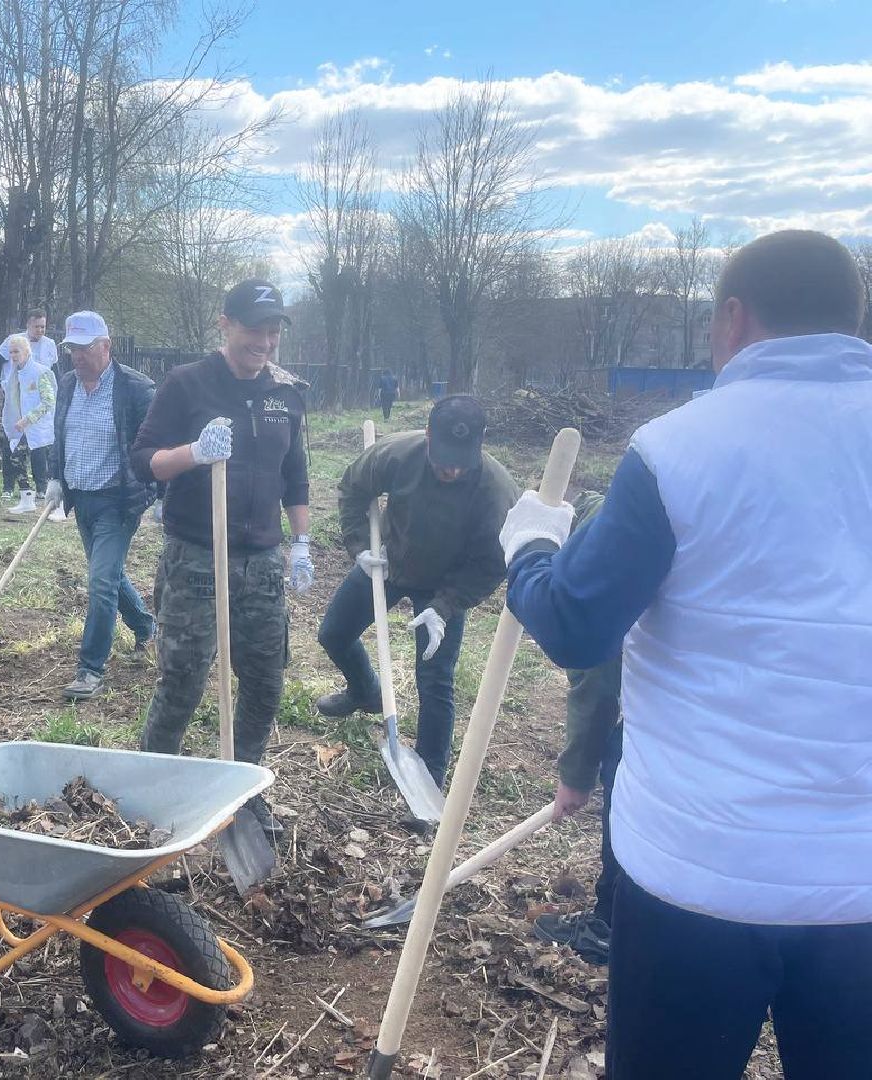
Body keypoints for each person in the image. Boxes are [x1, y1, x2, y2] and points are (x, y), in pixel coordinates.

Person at [500, 230, 872, 1078]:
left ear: (733, 320)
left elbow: (573, 626)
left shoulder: (680, 449)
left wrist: (529, 545)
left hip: (701, 875)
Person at [132, 280, 312, 839]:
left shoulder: (288, 393)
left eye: (274, 329)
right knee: (182, 681)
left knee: (265, 683)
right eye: (255, 327)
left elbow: (296, 474)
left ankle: (242, 791)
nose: (266, 339)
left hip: (262, 563)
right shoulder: (187, 385)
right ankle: (149, 791)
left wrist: (301, 542)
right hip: (197, 559)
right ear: (225, 324)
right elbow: (142, 461)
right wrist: (193, 454)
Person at [315, 395, 516, 792]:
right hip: (390, 563)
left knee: (435, 678)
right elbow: (353, 488)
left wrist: (445, 607)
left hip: (446, 585)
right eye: (443, 457)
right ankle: (365, 692)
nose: (452, 468)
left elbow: (492, 563)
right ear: (427, 436)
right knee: (333, 634)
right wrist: (360, 547)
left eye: (462, 459)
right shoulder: (395, 454)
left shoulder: (496, 492)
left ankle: (428, 779)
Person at [44, 311, 158, 701]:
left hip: (118, 500)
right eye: (71, 348)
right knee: (106, 573)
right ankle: (145, 628)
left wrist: (159, 492)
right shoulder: (66, 385)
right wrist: (56, 477)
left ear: (106, 346)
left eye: (84, 347)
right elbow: (60, 435)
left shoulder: (135, 389)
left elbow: (151, 446)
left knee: (100, 582)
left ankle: (90, 668)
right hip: (82, 497)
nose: (76, 355)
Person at [530, 491, 622, 967]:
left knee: (627, 793)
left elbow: (599, 675)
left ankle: (610, 925)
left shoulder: (606, 550)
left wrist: (579, 773)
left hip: (663, 720)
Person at [0, 310, 59, 500]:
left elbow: (49, 400)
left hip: (35, 423)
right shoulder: (13, 374)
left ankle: (38, 489)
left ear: (27, 352)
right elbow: (11, 399)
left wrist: (28, 419)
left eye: (17, 352)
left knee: (31, 455)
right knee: (14, 456)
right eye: (12, 353)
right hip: (18, 422)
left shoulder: (41, 372)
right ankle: (24, 492)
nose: (14, 356)